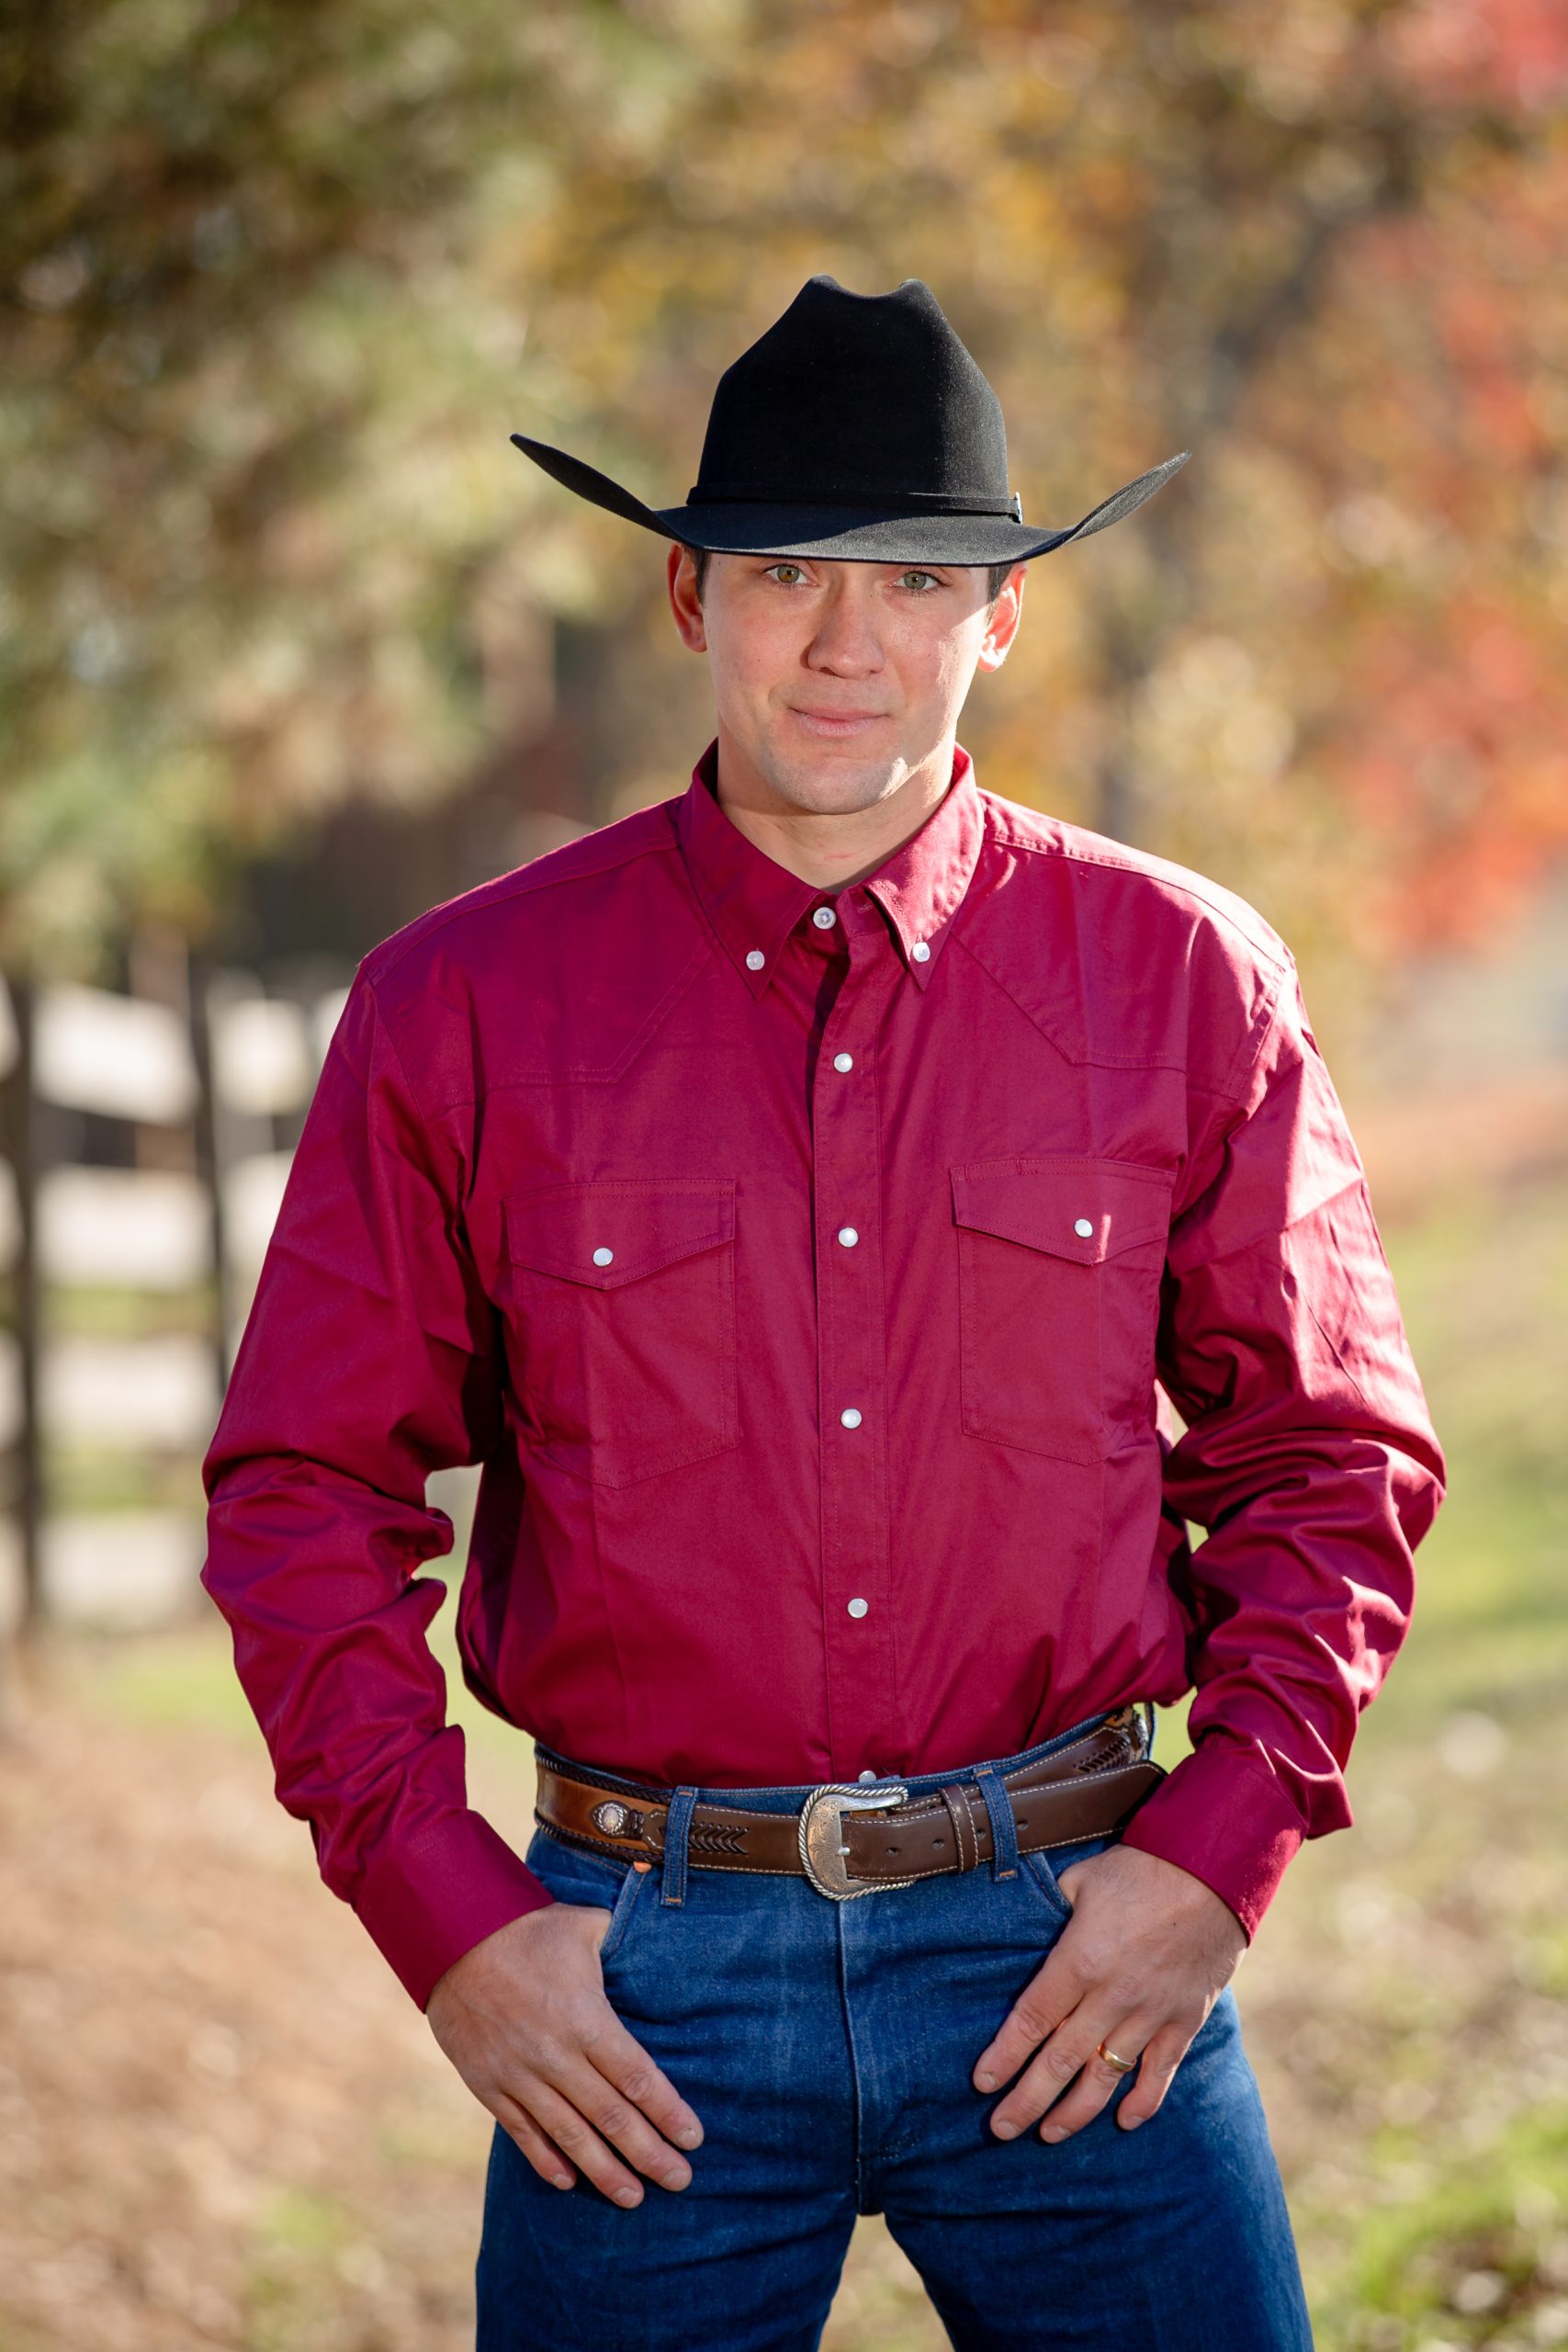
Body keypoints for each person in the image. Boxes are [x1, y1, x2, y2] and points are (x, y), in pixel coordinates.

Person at [200, 276, 1447, 2351]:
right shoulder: (466, 1006)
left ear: (1000, 615)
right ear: (690, 597)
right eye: (785, 569)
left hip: (1072, 1950)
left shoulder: (1181, 980)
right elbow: (300, 1487)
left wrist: (1211, 1857)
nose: (844, 640)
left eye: (912, 577)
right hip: (637, 1992)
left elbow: (1329, 1457)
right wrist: (450, 1922)